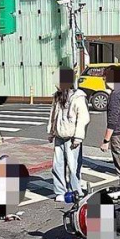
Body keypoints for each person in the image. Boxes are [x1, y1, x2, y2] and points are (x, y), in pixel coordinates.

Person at [47, 69, 90, 201]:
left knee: (73, 165)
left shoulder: (78, 97)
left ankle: (75, 191)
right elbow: (53, 115)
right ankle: (60, 191)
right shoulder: (57, 96)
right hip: (59, 135)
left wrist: (78, 137)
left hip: (72, 137)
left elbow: (83, 118)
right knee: (57, 165)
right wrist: (51, 131)